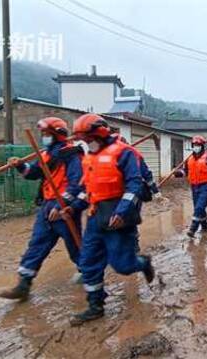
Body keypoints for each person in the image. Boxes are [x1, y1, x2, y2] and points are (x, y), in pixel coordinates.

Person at [66, 113, 155, 325]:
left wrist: (122, 211)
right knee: (88, 263)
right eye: (82, 140)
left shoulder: (124, 154)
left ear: (100, 133)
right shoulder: (89, 158)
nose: (85, 143)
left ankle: (142, 263)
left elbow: (135, 185)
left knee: (123, 266)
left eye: (87, 138)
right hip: (95, 218)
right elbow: (85, 189)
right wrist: (73, 207)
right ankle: (95, 305)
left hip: (118, 219)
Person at [0, 117, 83, 301]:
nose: (44, 137)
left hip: (64, 208)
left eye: (47, 134)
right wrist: (21, 166)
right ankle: (23, 284)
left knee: (75, 246)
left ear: (56, 135)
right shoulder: (46, 154)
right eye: (43, 134)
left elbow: (77, 184)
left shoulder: (72, 154)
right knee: (37, 244)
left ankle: (90, 275)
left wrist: (64, 205)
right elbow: (34, 172)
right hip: (46, 206)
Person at [174, 135, 207, 237]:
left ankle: (193, 229)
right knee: (199, 208)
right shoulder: (190, 159)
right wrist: (179, 173)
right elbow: (186, 171)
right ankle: (204, 226)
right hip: (194, 186)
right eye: (194, 145)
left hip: (205, 186)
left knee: (199, 207)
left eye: (198, 145)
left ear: (202, 146)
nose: (196, 146)